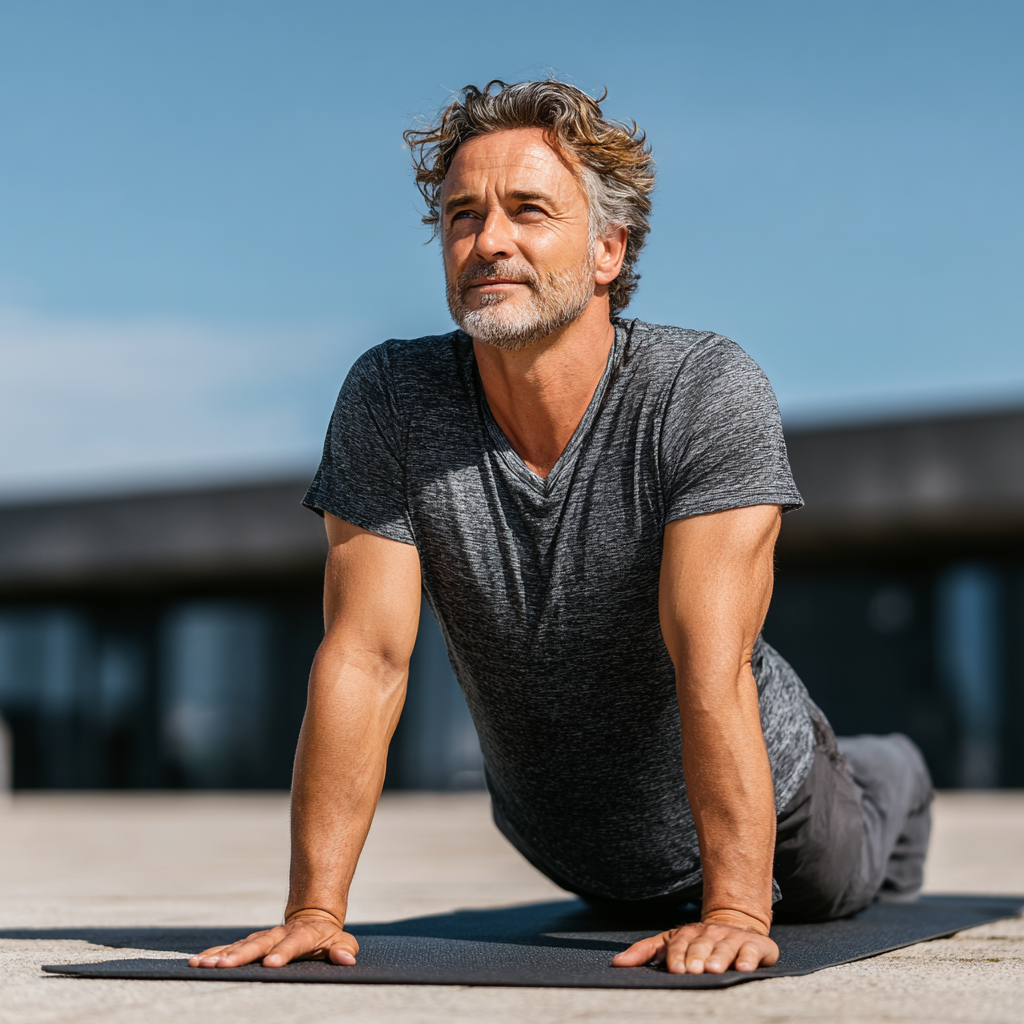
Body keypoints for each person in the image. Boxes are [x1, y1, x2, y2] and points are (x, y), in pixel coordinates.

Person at [190, 79, 933, 976]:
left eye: (528, 210)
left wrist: (735, 905)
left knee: (875, 809)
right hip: (563, 843)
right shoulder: (392, 398)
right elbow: (365, 658)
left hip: (789, 829)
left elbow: (712, 662)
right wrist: (314, 907)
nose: (487, 240)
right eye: (463, 215)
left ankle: (893, 770)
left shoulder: (700, 391)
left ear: (608, 248)